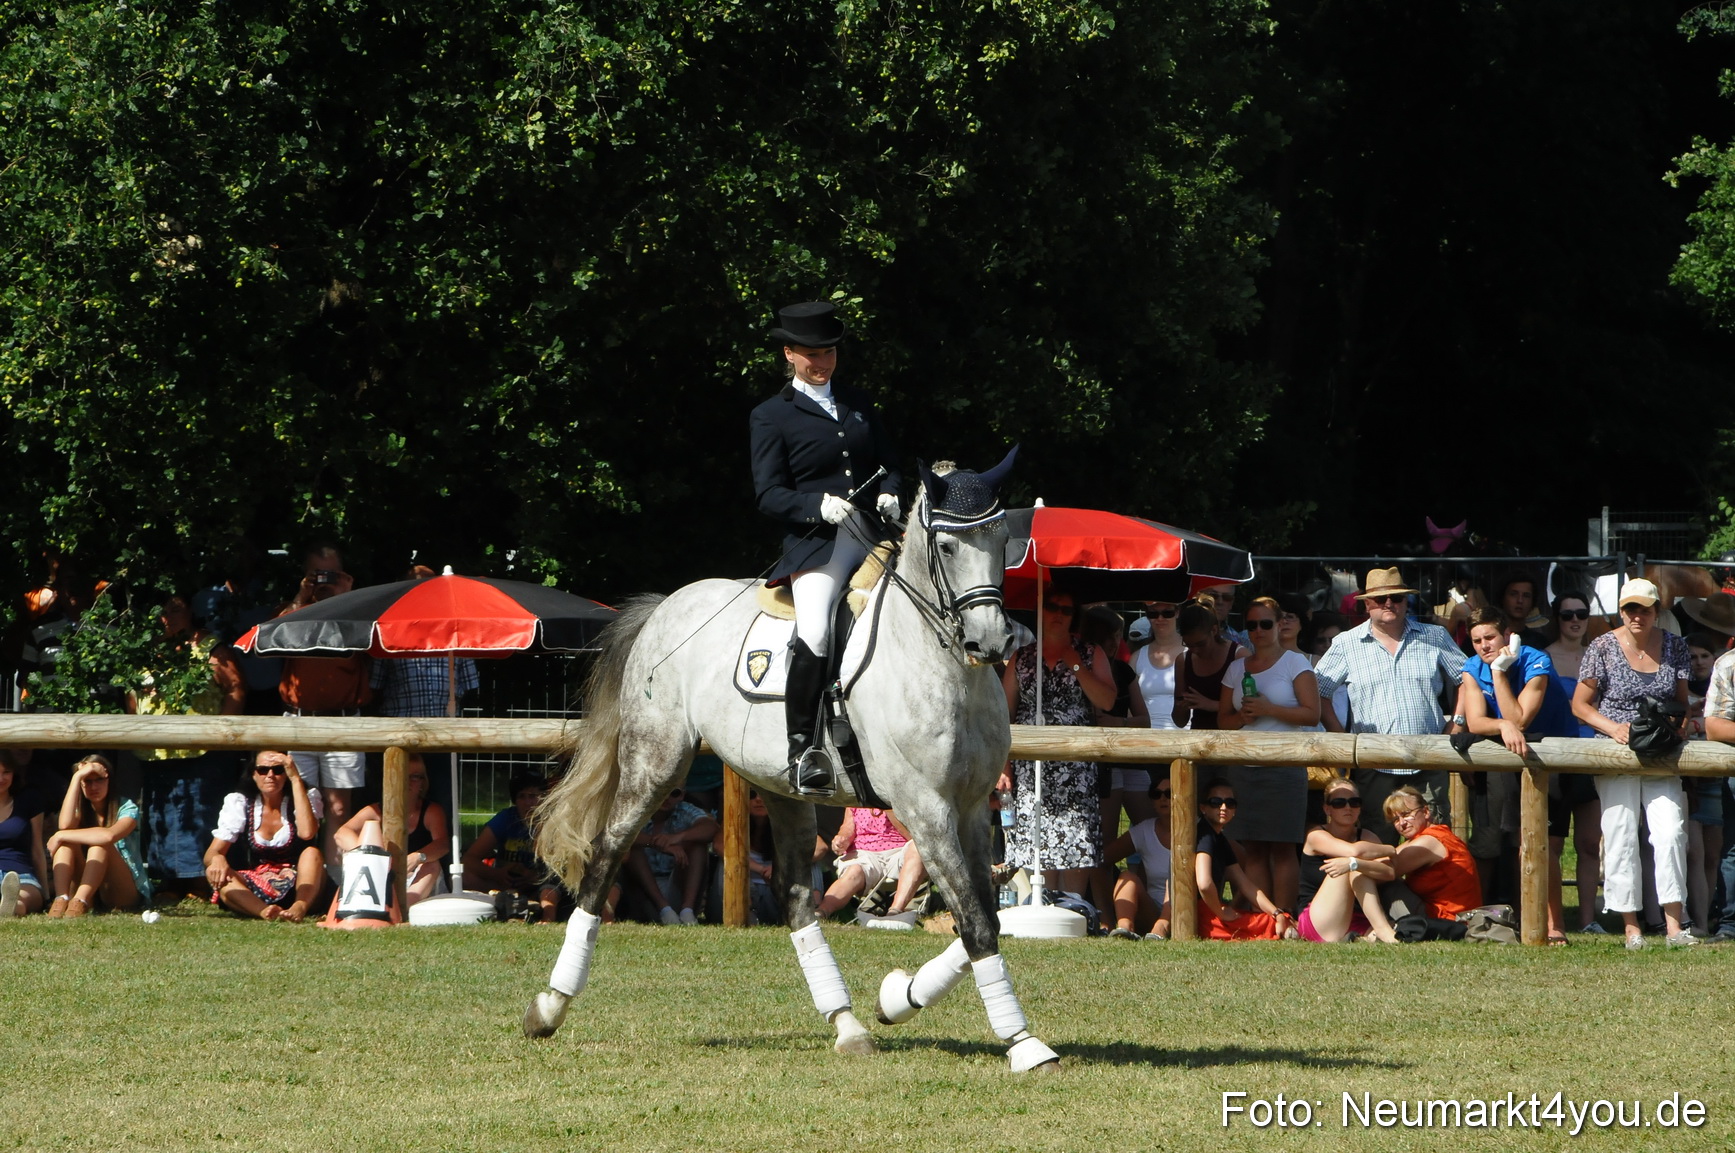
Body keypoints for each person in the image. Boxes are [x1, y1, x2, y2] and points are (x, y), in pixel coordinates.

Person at [749, 302, 902, 796]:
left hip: (875, 535)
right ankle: (802, 751)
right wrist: (816, 505)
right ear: (790, 353)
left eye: (830, 352)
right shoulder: (771, 416)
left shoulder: (860, 403)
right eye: (812, 354)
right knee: (814, 631)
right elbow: (768, 494)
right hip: (820, 545)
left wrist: (890, 491)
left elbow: (891, 462)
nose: (822, 362)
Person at [1570, 578, 1695, 949]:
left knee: (1670, 831)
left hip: (1661, 751)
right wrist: (1614, 728)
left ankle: (1675, 925)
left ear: (1657, 611)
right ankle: (1630, 926)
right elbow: (1580, 705)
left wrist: (1680, 728)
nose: (1636, 616)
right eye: (1629, 609)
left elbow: (1682, 701)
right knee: (1621, 832)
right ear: (1620, 611)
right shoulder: (1602, 647)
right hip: (1617, 750)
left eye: (1644, 608)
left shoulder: (1675, 646)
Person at [1313, 567, 1467, 842]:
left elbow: (1466, 678)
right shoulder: (1346, 643)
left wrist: (1456, 723)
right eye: (1381, 598)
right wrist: (1342, 739)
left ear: (1406, 601)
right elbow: (1319, 690)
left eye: (1396, 598)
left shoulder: (1435, 636)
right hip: (1374, 765)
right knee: (1376, 845)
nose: (1389, 603)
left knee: (1434, 844)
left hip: (1428, 760)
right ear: (1366, 603)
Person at [1456, 607, 1578, 941]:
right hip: (1512, 754)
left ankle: (1555, 927)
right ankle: (1524, 919)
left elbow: (1522, 717)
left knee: (1548, 845)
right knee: (1517, 842)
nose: (1484, 646)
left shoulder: (1536, 660)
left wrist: (1498, 674)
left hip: (1553, 754)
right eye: (1477, 640)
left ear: (1508, 634)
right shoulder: (1470, 667)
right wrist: (1503, 725)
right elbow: (1476, 721)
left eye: (1490, 638)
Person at [999, 587, 1118, 899]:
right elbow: (1003, 716)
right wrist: (1004, 766)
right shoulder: (1021, 658)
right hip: (1029, 767)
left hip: (1075, 766)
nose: (1059, 615)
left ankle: (1075, 906)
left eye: (1067, 610)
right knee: (1037, 835)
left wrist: (1075, 663)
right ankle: (1043, 902)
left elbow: (1107, 700)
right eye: (1053, 607)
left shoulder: (1091, 653)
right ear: (1041, 610)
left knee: (1076, 835)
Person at [135, 593, 247, 896]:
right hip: (156, 750)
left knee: (200, 811)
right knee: (161, 815)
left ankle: (202, 880)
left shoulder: (211, 648)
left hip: (202, 750)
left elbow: (235, 687)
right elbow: (133, 696)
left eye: (175, 609)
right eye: (161, 611)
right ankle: (169, 879)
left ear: (191, 612)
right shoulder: (147, 651)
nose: (167, 618)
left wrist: (223, 732)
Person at [1216, 596, 1319, 913]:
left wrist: (1269, 709)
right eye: (1251, 625)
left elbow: (1311, 714)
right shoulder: (1236, 668)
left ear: (1279, 625)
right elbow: (1223, 721)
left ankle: (1285, 918)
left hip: (1285, 766)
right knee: (1255, 848)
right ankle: (1263, 918)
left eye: (1265, 623)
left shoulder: (1295, 663)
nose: (1258, 630)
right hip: (1243, 768)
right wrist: (1243, 719)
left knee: (1284, 848)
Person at [277, 546, 371, 880]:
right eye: (318, 575)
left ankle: (333, 882)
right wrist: (302, 597)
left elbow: (368, 642)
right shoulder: (297, 609)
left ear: (344, 576)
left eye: (332, 575)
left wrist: (345, 597)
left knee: (338, 807)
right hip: (298, 718)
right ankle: (298, 880)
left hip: (343, 720)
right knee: (297, 804)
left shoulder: (356, 609)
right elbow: (272, 637)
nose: (324, 582)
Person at [203, 750, 324, 922]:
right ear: (253, 774)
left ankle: (299, 907)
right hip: (258, 884)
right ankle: (265, 911)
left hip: (301, 883)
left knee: (312, 852)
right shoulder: (240, 802)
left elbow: (306, 833)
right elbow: (211, 853)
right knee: (216, 872)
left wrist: (296, 780)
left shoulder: (304, 797)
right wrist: (217, 859)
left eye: (278, 770)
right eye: (263, 770)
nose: (270, 775)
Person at [1082, 606, 1150, 909]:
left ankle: (1148, 896)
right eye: (1111, 637)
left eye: (1118, 637)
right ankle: (1105, 913)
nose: (1115, 643)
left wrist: (1117, 723)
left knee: (1155, 828)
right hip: (1101, 764)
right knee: (1104, 844)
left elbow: (1144, 720)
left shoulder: (1123, 670)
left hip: (1131, 758)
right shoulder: (1082, 670)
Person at [1545, 589, 1604, 931]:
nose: (1575, 621)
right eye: (1567, 615)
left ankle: (1588, 920)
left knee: (1588, 844)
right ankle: (1551, 920)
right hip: (1553, 759)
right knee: (1551, 844)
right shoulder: (1541, 657)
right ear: (1557, 619)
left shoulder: (1598, 657)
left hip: (1592, 757)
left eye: (1581, 614)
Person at [331, 752, 450, 908]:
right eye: (403, 776)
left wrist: (418, 857)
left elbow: (442, 844)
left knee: (432, 865)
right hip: (382, 874)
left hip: (418, 878)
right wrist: (373, 858)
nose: (407, 782)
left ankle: (402, 908)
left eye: (415, 777)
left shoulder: (431, 811)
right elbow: (341, 834)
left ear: (423, 782)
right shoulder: (376, 810)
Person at [46, 754, 151, 916]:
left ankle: (79, 902)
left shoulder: (127, 808)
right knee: (66, 844)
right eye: (87, 781)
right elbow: (64, 825)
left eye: (99, 780)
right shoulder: (79, 809)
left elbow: (108, 836)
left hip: (122, 889)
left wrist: (60, 835)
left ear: (109, 780)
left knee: (100, 846)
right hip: (91, 888)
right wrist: (77, 777)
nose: (94, 787)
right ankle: (61, 899)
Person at [1296, 778, 1399, 943]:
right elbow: (1354, 851)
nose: (1348, 808)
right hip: (1317, 919)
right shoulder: (1316, 835)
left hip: (1355, 918)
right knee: (1353, 865)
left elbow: (1389, 872)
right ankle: (1384, 932)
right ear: (1327, 809)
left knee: (1356, 865)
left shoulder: (1366, 836)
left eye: (1354, 802)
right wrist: (1390, 849)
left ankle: (1365, 937)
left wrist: (1359, 863)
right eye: (1339, 803)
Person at [1193, 779, 1293, 940]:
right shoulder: (1205, 836)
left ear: (1235, 810)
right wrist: (1220, 912)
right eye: (1216, 802)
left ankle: (1285, 925)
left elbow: (1245, 884)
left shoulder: (1219, 838)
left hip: (1210, 911)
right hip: (1205, 915)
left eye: (1230, 803)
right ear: (1203, 808)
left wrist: (1277, 913)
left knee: (1272, 919)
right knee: (1264, 925)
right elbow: (1204, 884)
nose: (1223, 807)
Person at [462, 773, 559, 921]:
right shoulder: (506, 818)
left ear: (544, 799)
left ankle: (543, 912)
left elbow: (560, 867)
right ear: (515, 800)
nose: (528, 802)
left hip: (540, 884)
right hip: (502, 883)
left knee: (551, 885)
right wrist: (497, 874)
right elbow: (469, 859)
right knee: (461, 876)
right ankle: (504, 903)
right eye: (521, 796)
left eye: (533, 796)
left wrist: (534, 877)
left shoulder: (553, 822)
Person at [815, 806, 927, 929]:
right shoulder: (858, 799)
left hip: (900, 850)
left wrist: (888, 809)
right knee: (854, 871)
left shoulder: (897, 796)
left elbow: (913, 835)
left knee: (918, 847)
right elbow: (847, 826)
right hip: (865, 852)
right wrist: (843, 839)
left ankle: (895, 911)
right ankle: (821, 912)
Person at [620, 786, 719, 924]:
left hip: (678, 884)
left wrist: (678, 837)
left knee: (697, 846)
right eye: (661, 792)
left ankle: (687, 911)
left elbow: (710, 828)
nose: (667, 798)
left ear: (682, 795)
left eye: (674, 793)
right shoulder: (638, 810)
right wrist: (656, 843)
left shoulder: (684, 809)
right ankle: (664, 909)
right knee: (632, 849)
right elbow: (621, 833)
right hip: (646, 892)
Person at [1383, 786, 1482, 921]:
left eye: (1406, 814)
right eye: (1395, 819)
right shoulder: (1433, 834)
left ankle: (1373, 927)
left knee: (1383, 882)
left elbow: (1383, 869)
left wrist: (1352, 863)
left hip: (1450, 919)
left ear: (1426, 811)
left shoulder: (1429, 842)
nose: (1401, 823)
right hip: (1452, 916)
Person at [1106, 771, 1173, 940]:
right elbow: (1104, 857)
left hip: (1186, 911)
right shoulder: (1144, 830)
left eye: (1170, 793)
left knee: (1176, 876)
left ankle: (1162, 929)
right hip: (1152, 909)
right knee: (1127, 876)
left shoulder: (1199, 830)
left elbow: (1236, 860)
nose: (1163, 798)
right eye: (1156, 794)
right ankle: (1124, 929)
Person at [1172, 601, 1238, 730]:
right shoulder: (1183, 661)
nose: (1195, 650)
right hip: (1199, 741)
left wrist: (1210, 704)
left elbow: (1250, 709)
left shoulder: (1238, 656)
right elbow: (1179, 722)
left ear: (1214, 630)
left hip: (1233, 738)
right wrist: (1181, 707)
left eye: (1200, 644)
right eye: (1189, 645)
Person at [0, 752, 48, 918]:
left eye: (6, 772)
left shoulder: (29, 800)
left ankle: (9, 907)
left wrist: (46, 895)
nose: (1, 779)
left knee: (23, 899)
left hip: (20, 875)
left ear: (14, 773)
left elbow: (37, 848)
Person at [1132, 601, 1184, 732]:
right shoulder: (1137, 657)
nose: (1160, 619)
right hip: (1147, 740)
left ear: (1177, 612)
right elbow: (1130, 708)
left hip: (1187, 738)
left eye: (1167, 613)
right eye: (1153, 613)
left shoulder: (1192, 652)